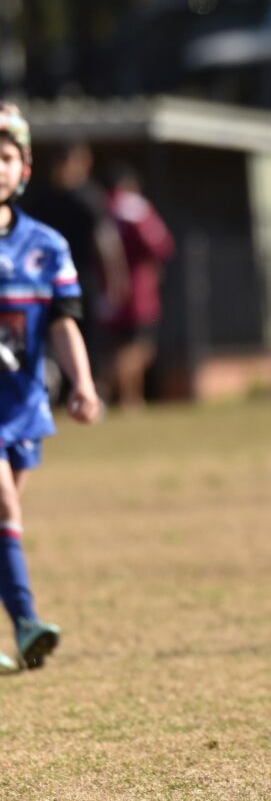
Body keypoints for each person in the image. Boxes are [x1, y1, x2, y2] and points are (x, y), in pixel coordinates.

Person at [0, 102, 101, 673]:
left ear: (25, 168)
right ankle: (27, 623)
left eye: (5, 157)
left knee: (3, 520)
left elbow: (63, 323)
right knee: (3, 504)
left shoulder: (47, 247)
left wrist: (82, 383)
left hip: (24, 407)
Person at [20, 142, 129, 384]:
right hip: (43, 280)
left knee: (84, 335)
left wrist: (115, 278)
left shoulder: (89, 197)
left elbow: (106, 241)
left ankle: (86, 386)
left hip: (80, 280)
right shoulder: (42, 198)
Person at [99, 163, 174, 409]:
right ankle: (110, 394)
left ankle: (128, 397)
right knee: (137, 347)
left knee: (122, 346)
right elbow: (161, 245)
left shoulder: (103, 207)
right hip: (137, 290)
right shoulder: (133, 207)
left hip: (108, 290)